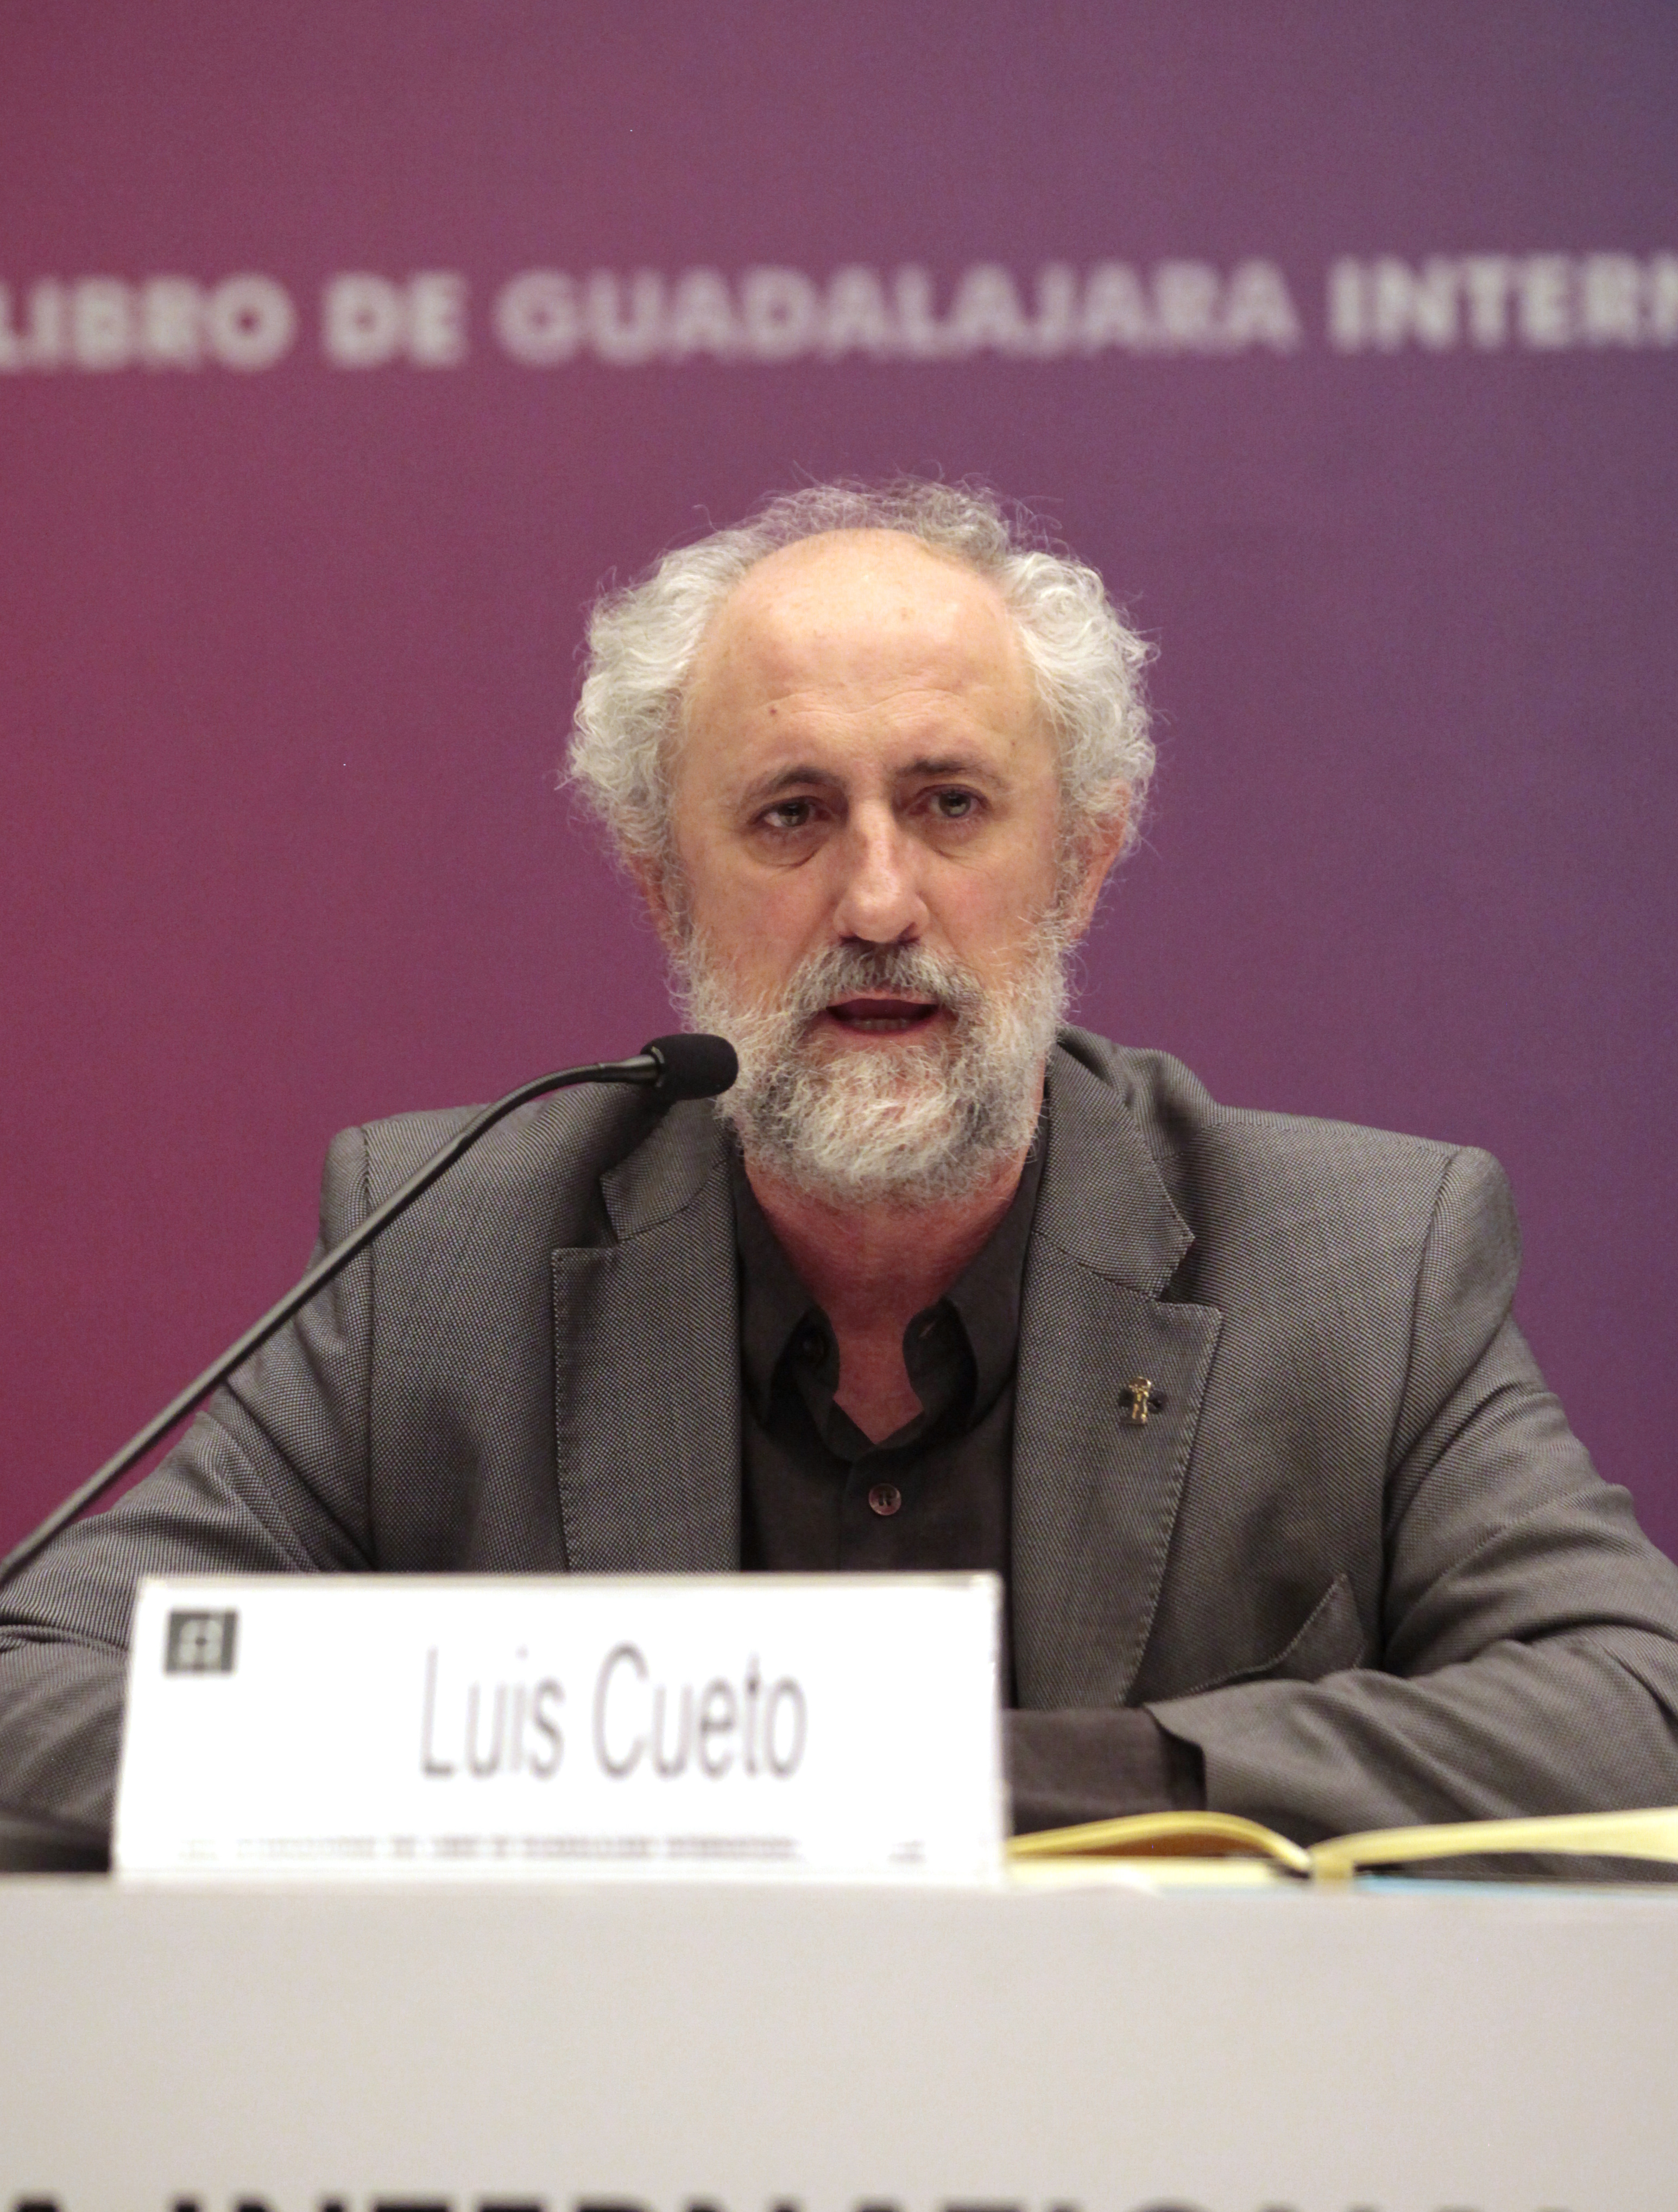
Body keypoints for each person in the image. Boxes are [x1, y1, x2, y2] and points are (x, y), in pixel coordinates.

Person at [4, 479, 1678, 1867]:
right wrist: (576, 1774)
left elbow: (1636, 1698)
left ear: (1081, 860)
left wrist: (1045, 1782)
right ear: (663, 886)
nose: (877, 900)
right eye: (791, 815)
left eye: (949, 803)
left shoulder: (1363, 1266)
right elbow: (35, 1690)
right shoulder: (443, 1260)